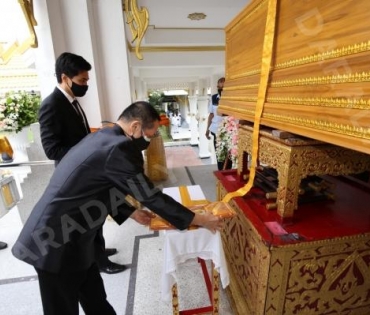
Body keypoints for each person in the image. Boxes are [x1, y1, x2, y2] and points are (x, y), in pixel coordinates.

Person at [12, 101, 223, 315]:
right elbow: (148, 194)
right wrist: (198, 219)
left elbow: (100, 187)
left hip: (77, 239)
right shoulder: (118, 148)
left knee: (97, 301)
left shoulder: (102, 137)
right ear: (135, 127)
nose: (151, 140)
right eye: (150, 134)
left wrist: (131, 212)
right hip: (55, 244)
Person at [38, 52, 124, 274]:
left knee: (97, 216)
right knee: (89, 220)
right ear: (66, 78)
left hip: (88, 173)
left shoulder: (73, 102)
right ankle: (99, 262)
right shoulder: (52, 105)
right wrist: (87, 150)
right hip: (74, 176)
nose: (85, 85)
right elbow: (52, 150)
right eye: (82, 81)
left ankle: (99, 252)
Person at [205, 77, 231, 170]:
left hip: (229, 129)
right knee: (219, 152)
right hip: (216, 129)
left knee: (229, 153)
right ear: (218, 86)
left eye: (224, 85)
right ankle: (221, 172)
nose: (222, 87)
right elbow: (211, 114)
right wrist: (207, 130)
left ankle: (228, 171)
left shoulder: (232, 98)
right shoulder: (214, 98)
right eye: (220, 85)